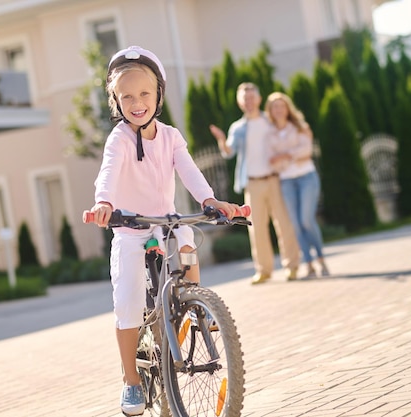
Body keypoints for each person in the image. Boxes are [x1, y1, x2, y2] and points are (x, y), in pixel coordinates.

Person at [87, 46, 240, 416]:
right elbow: (108, 172)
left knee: (187, 242)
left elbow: (189, 172)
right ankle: (131, 382)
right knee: (128, 304)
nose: (136, 102)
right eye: (127, 96)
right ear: (116, 100)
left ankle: (196, 308)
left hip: (168, 221)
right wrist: (104, 202)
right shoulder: (120, 139)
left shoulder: (170, 136)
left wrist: (211, 201)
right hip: (130, 226)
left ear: (158, 96)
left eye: (144, 93)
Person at [209, 82, 300, 285]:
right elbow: (229, 152)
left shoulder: (270, 121)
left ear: (259, 99)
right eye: (245, 99)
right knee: (256, 228)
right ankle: (263, 270)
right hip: (253, 183)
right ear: (240, 103)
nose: (249, 102)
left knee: (284, 224)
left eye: (252, 97)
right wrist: (222, 141)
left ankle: (292, 266)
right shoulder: (238, 127)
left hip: (275, 179)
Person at [265, 92, 329, 277]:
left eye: (281, 106)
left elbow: (306, 151)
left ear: (287, 108)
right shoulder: (270, 134)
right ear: (270, 111)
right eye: (274, 107)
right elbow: (272, 161)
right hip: (286, 181)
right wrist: (292, 155)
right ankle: (308, 264)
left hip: (306, 177)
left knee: (306, 220)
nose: (278, 110)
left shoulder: (300, 126)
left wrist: (284, 155)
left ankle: (321, 259)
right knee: (295, 224)